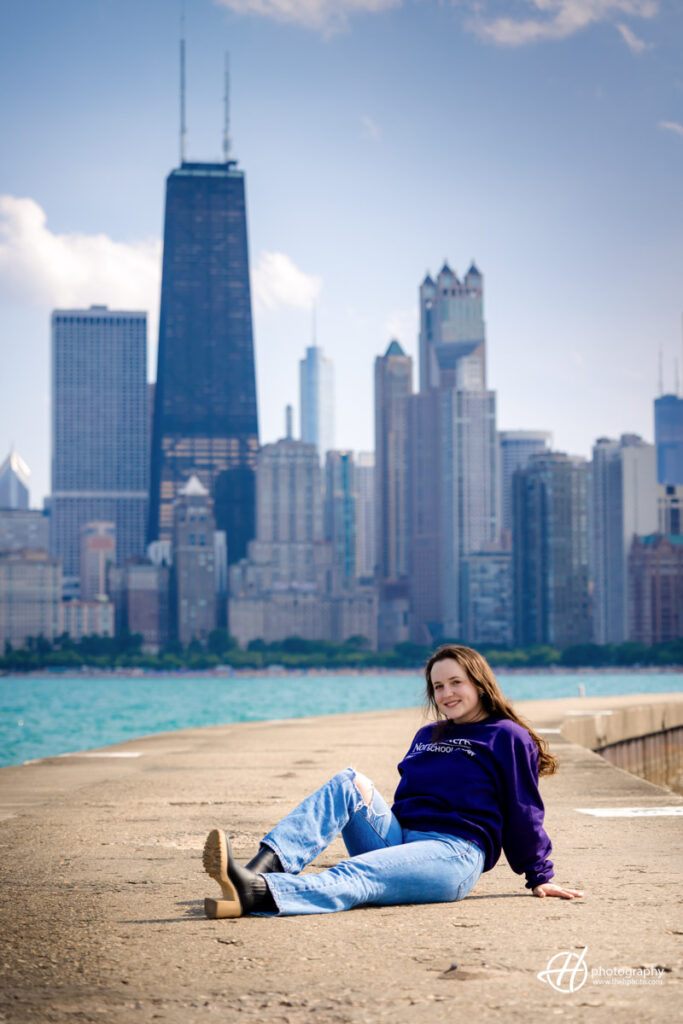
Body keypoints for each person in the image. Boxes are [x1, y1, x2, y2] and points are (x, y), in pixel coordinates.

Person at [202, 644, 584, 918]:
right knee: (348, 780)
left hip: (453, 854)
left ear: (479, 683)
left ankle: (258, 894)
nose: (446, 693)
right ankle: (261, 871)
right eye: (438, 687)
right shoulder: (428, 735)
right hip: (402, 838)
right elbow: (406, 801)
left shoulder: (505, 736)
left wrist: (539, 875)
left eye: (456, 682)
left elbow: (523, 810)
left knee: (357, 876)